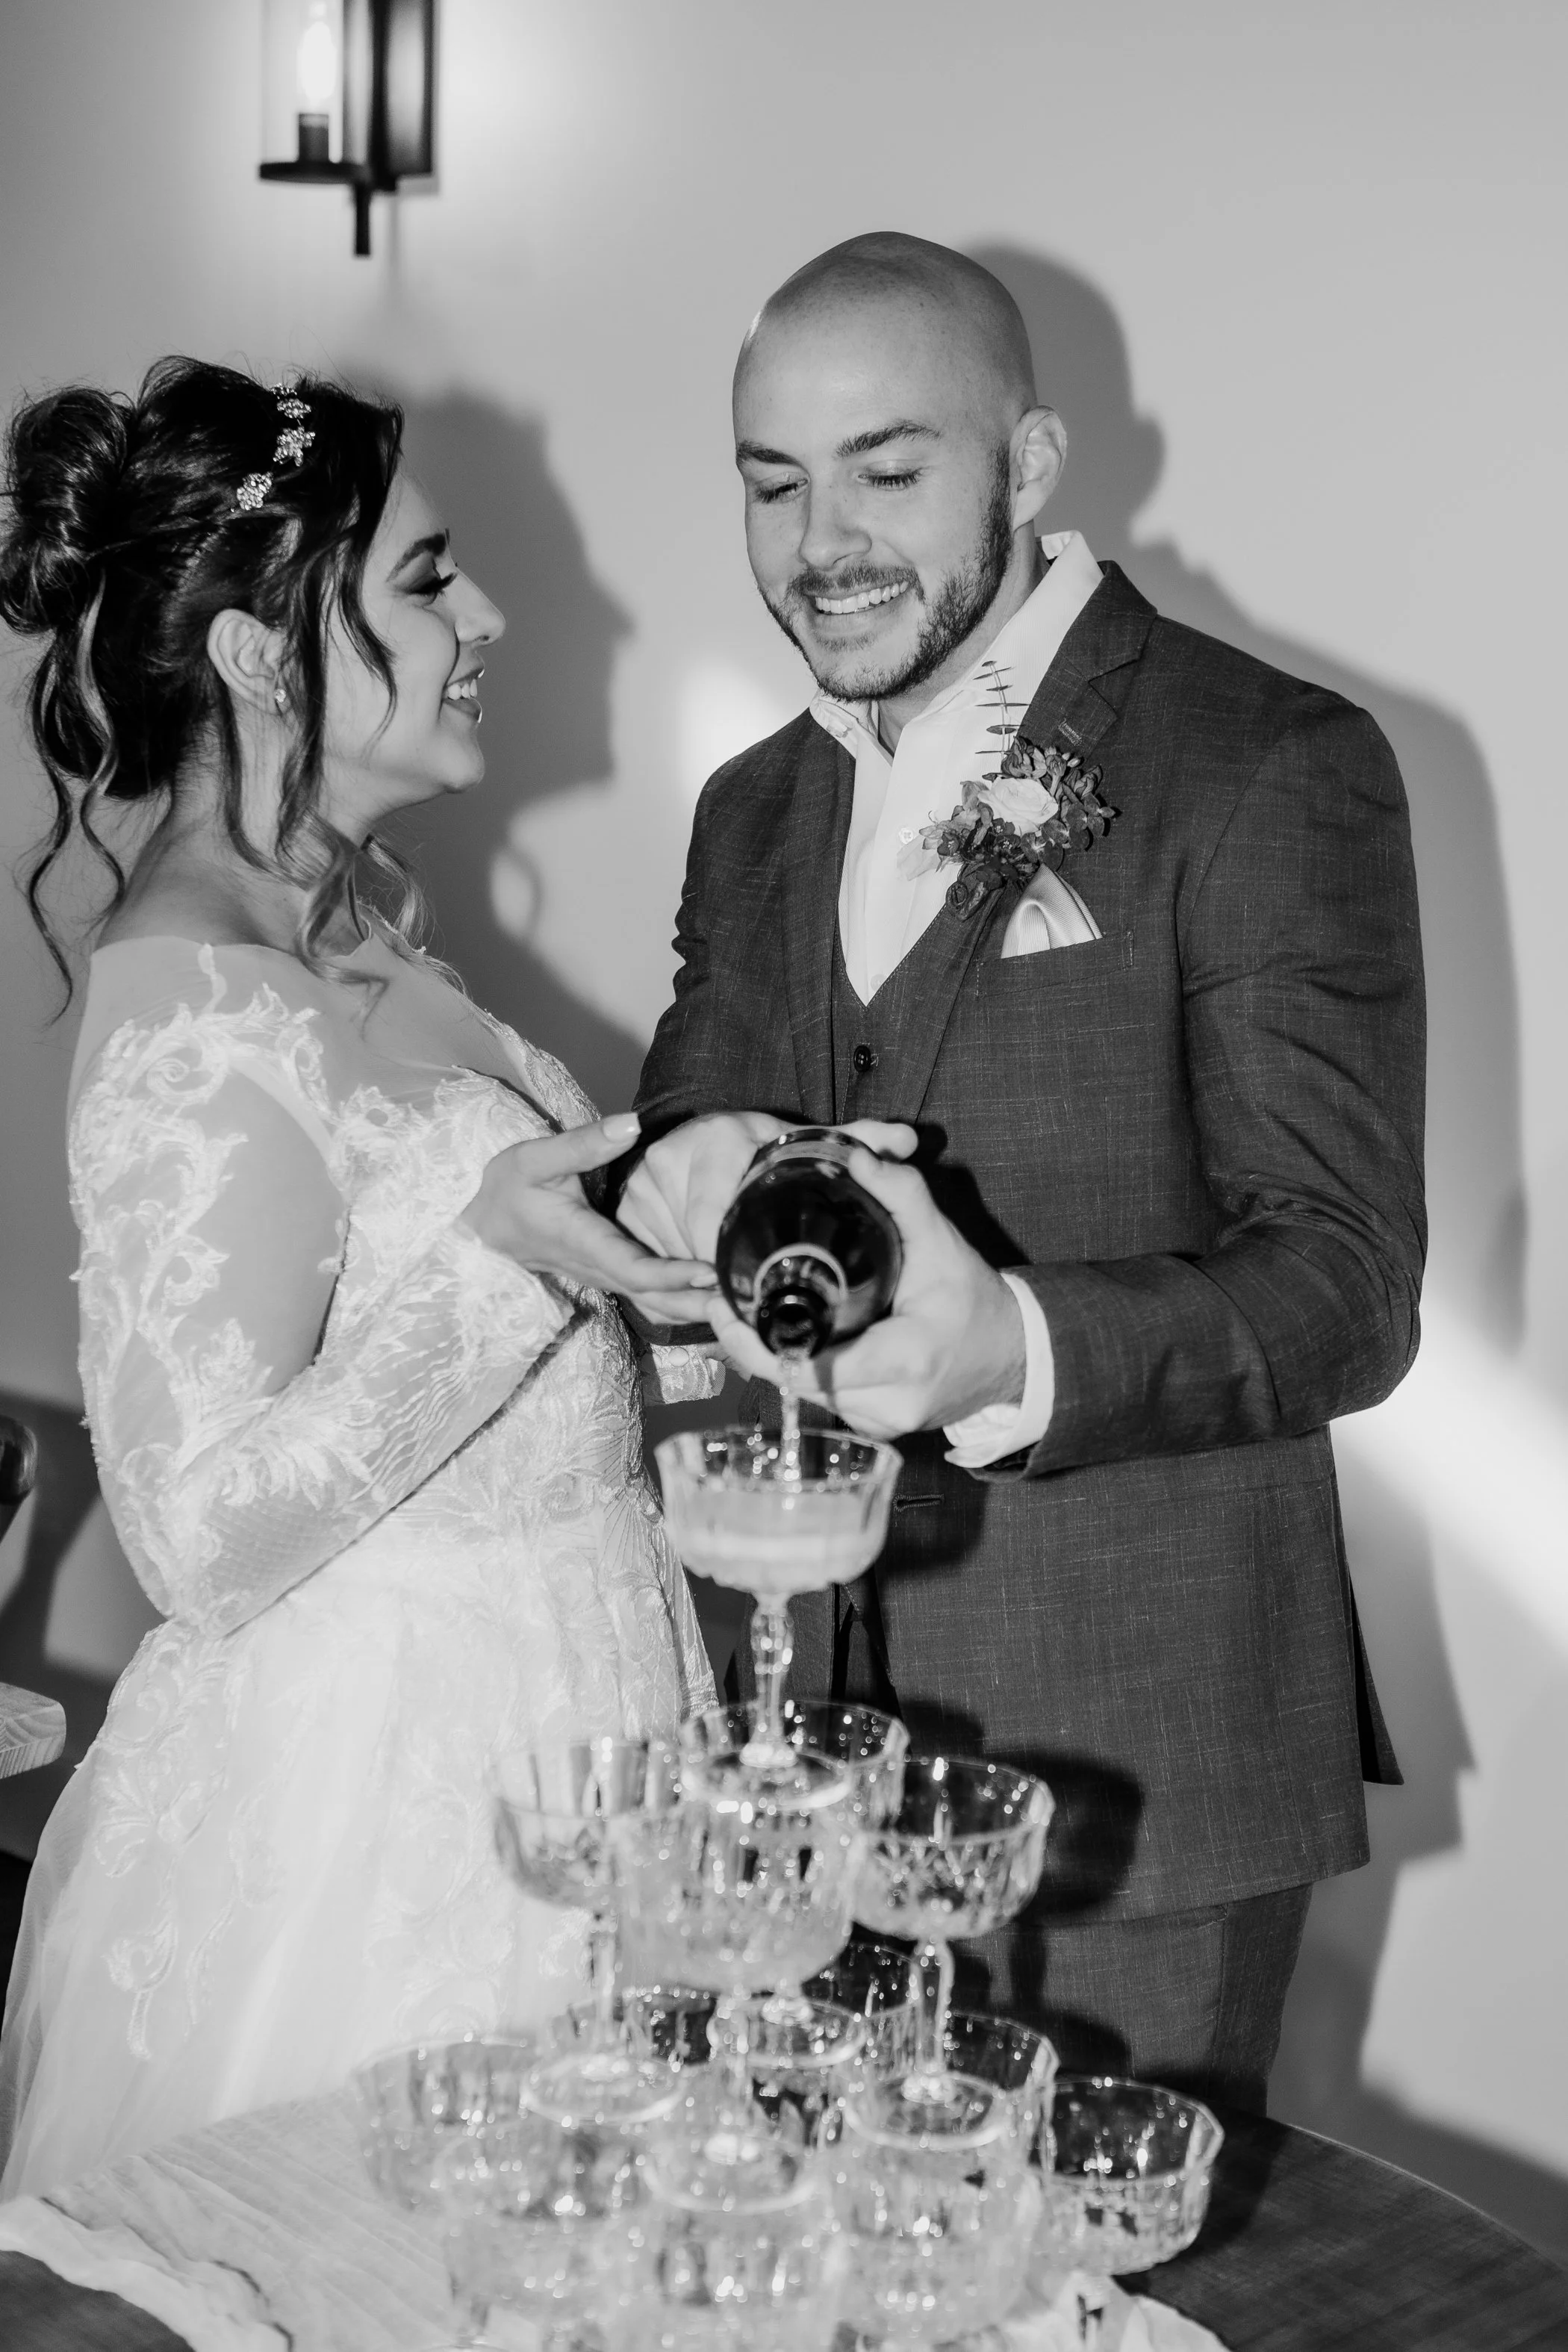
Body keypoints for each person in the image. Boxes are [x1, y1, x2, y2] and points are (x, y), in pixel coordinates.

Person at [620, 233, 1425, 2112]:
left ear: (1032, 464)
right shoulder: (753, 804)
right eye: (770, 480)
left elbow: (1342, 1282)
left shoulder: (1265, 763)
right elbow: (691, 1128)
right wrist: (676, 1181)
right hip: (790, 1746)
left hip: (1133, 1771)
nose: (822, 537)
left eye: (889, 469)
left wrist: (1013, 1357)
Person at [0, 357, 720, 2194]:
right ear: (257, 651)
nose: (484, 619)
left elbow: (505, 1377)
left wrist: (683, 1288)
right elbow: (198, 1540)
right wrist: (503, 1266)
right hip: (388, 1816)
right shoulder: (191, 996)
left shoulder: (360, 933)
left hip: (585, 1735)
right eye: (425, 579)